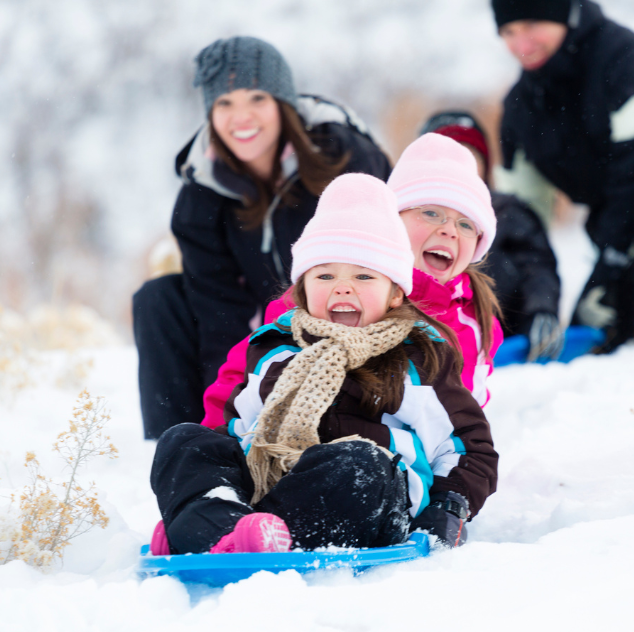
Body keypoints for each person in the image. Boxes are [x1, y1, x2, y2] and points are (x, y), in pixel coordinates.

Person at [149, 173, 498, 554]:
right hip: (269, 483)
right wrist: (208, 472)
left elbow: (468, 449)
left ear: (396, 292)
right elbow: (237, 427)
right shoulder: (273, 348)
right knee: (184, 439)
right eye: (325, 274)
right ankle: (220, 525)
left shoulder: (419, 356)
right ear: (302, 288)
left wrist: (449, 507)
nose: (342, 287)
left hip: (369, 500)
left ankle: (225, 533)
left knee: (359, 463)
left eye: (364, 275)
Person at [132, 37, 392, 439]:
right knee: (158, 299)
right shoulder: (202, 192)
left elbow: (384, 258)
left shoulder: (344, 156)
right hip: (262, 324)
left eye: (256, 98)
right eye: (224, 103)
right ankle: (181, 441)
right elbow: (216, 307)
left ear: (282, 103)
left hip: (348, 313)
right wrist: (225, 410)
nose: (242, 117)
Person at [199, 133, 504, 430]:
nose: (450, 230)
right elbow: (246, 371)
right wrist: (216, 436)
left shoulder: (477, 320)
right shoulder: (330, 289)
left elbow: (467, 415)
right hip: (304, 439)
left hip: (399, 459)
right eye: (431, 212)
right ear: (394, 221)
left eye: (465, 223)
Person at [492, 0, 634, 349]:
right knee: (598, 328)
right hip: (618, 222)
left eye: (532, 24)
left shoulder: (627, 57)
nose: (521, 44)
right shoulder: (522, 107)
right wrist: (529, 304)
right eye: (508, 32)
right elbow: (518, 216)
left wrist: (608, 268)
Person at [420, 110, 563, 360]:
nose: (461, 169)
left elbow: (537, 267)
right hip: (429, 338)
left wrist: (541, 309)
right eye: (450, 158)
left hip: (504, 337)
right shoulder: (409, 217)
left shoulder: (508, 211)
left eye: (470, 158)